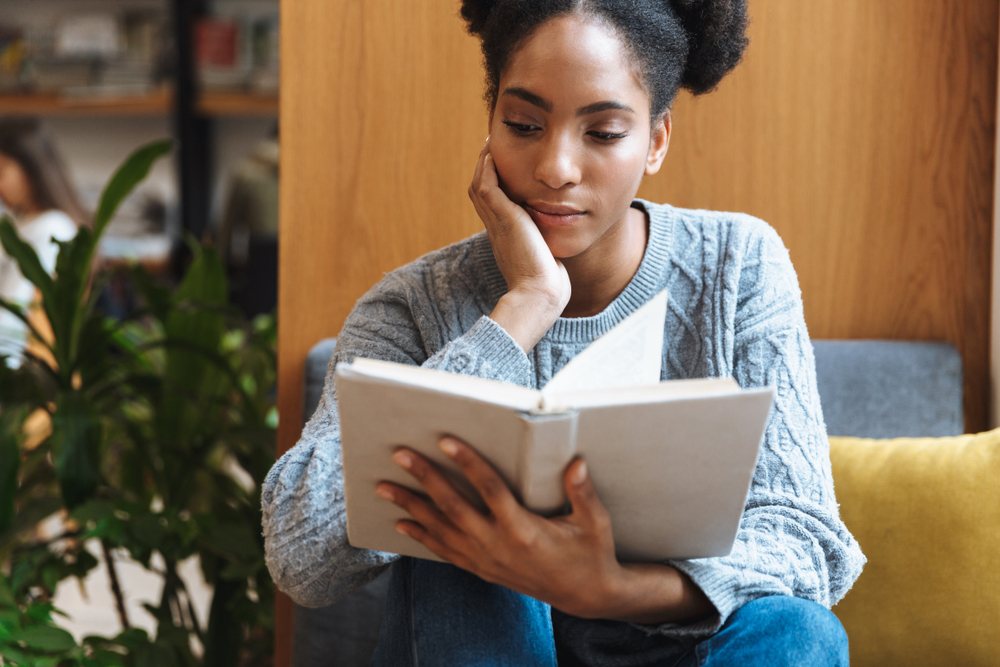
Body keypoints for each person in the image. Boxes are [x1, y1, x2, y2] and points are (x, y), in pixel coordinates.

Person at [262, 1, 866, 664]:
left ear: (657, 139)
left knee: (801, 630)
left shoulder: (739, 264)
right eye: (523, 124)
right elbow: (301, 556)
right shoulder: (412, 305)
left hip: (682, 640)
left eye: (603, 133)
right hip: (482, 633)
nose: (556, 167)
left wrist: (613, 588)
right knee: (462, 537)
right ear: (490, 121)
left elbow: (808, 542)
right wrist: (523, 308)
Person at [0, 117, 85, 368]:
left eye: (2, 171)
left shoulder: (53, 228)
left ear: (31, 167)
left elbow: (12, 318)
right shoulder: (17, 221)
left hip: (15, 375)